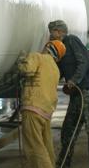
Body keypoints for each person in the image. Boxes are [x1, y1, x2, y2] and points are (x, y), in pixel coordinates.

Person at [48, 20, 89, 168]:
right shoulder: (59, 48)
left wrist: (74, 80)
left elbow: (84, 62)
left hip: (86, 91)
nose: (51, 34)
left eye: (53, 31)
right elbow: (60, 71)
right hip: (76, 94)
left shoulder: (72, 41)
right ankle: (63, 163)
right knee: (68, 129)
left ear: (61, 32)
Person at [17, 40, 66, 168]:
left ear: (48, 47)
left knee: (34, 147)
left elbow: (28, 70)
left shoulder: (38, 57)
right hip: (46, 111)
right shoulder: (56, 69)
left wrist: (22, 59)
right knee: (46, 145)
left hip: (33, 107)